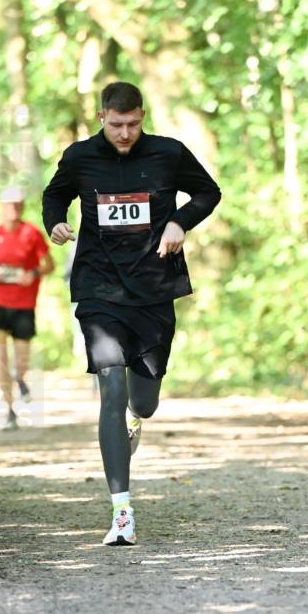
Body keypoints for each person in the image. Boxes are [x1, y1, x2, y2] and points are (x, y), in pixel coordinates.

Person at [42, 81, 221, 546]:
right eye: (117, 124)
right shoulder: (80, 157)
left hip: (153, 288)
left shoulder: (167, 153)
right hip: (98, 287)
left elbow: (208, 192)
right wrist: (55, 221)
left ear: (143, 116)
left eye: (133, 124)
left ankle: (135, 420)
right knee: (111, 388)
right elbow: (53, 195)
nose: (125, 133)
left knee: (142, 402)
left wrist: (180, 222)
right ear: (102, 116)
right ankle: (121, 511)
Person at [0, 186, 54, 431]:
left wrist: (34, 273)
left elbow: (49, 265)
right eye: (8, 204)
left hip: (24, 304)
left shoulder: (32, 234)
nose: (13, 208)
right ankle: (9, 410)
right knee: (1, 358)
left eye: (17, 204)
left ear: (23, 206)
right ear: (1, 207)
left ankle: (21, 378)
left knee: (22, 360)